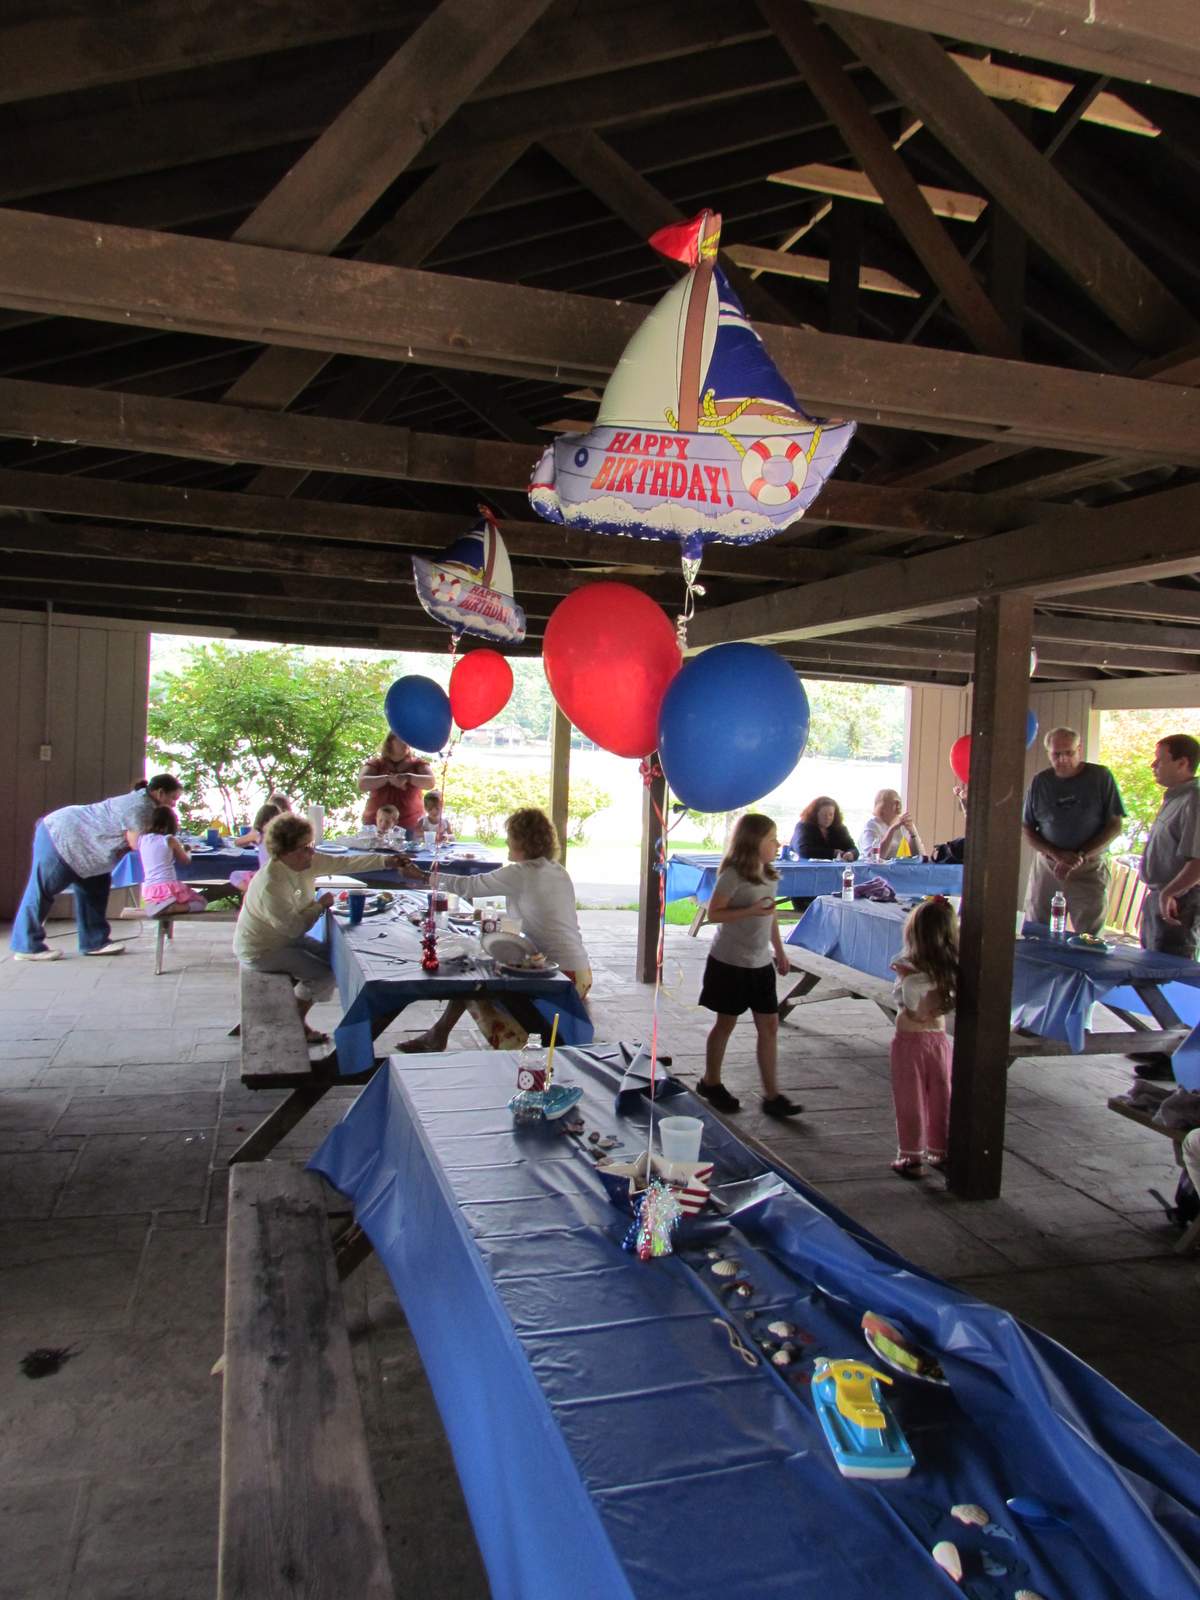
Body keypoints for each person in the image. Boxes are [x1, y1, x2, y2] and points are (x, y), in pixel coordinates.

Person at [399, 808, 590, 1053]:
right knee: (479, 969)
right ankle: (438, 1033)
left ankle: (516, 1047)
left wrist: (422, 876)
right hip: (581, 973)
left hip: (558, 976)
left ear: (522, 840)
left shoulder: (520, 872)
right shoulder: (557, 870)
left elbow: (469, 886)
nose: (507, 841)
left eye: (510, 836)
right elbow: (541, 916)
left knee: (474, 981)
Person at [694, 813, 803, 1121]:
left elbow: (770, 916)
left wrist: (779, 950)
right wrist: (751, 910)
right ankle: (710, 1081)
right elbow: (715, 913)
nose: (778, 844)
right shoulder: (733, 875)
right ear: (754, 842)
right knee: (725, 1023)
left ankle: (772, 1095)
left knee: (769, 1026)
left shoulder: (769, 875)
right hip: (730, 962)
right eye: (772, 839)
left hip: (760, 962)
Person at [11, 773, 184, 960]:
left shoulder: (145, 805)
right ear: (160, 793)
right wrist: (168, 846)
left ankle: (94, 942)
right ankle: (26, 947)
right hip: (61, 838)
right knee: (42, 891)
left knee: (95, 892)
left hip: (91, 852)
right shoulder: (140, 806)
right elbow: (136, 843)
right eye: (173, 798)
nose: (174, 804)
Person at [233, 813, 336, 1044]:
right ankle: (293, 1022)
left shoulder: (293, 865)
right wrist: (319, 905)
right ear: (289, 851)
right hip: (261, 950)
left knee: (335, 956)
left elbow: (345, 862)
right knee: (324, 975)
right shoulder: (272, 883)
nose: (312, 852)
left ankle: (291, 1017)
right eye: (307, 848)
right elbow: (294, 928)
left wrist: (387, 861)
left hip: (280, 939)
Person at [1022, 726, 1124, 936]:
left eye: (1069, 752)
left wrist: (1080, 856)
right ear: (1048, 753)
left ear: (1080, 749)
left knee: (1089, 933)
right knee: (1036, 928)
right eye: (1056, 754)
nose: (1063, 759)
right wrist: (1056, 854)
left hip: (1088, 866)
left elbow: (1115, 825)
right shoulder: (1041, 781)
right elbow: (1027, 827)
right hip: (1049, 865)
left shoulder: (1100, 777)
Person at [888, 897, 958, 1179]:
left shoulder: (909, 967)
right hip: (939, 1040)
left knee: (910, 1098)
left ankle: (911, 1155)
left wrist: (908, 983)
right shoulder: (950, 968)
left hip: (910, 1041)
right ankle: (940, 1150)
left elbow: (911, 1003)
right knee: (941, 1094)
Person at [1139, 734, 1200, 959]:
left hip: (1179, 902)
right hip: (1159, 896)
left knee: (1169, 971)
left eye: (1160, 760)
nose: (1153, 765)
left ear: (1182, 763)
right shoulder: (1175, 798)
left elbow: (1198, 861)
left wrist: (1169, 893)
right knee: (1147, 967)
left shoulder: (1194, 799)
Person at [137, 806, 208, 917]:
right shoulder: (169, 839)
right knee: (201, 903)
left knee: (164, 902)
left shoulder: (142, 839)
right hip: (168, 887)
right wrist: (188, 850)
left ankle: (163, 906)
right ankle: (175, 907)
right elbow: (185, 861)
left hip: (149, 889)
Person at [359, 733, 434, 835]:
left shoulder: (418, 763)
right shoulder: (376, 763)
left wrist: (407, 777)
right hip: (376, 824)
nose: (407, 743)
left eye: (409, 740)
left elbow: (430, 782)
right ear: (390, 742)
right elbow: (362, 783)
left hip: (410, 825)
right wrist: (388, 779)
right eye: (402, 739)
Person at [858, 790, 925, 861]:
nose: (898, 806)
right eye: (894, 803)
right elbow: (875, 858)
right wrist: (892, 830)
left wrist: (913, 833)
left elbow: (920, 857)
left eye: (899, 802)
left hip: (899, 866)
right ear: (882, 806)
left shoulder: (905, 824)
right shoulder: (872, 825)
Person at [790, 797, 857, 861]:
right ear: (814, 814)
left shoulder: (840, 828)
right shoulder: (803, 826)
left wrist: (851, 854)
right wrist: (833, 853)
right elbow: (803, 850)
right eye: (823, 814)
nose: (827, 818)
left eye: (831, 814)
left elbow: (853, 848)